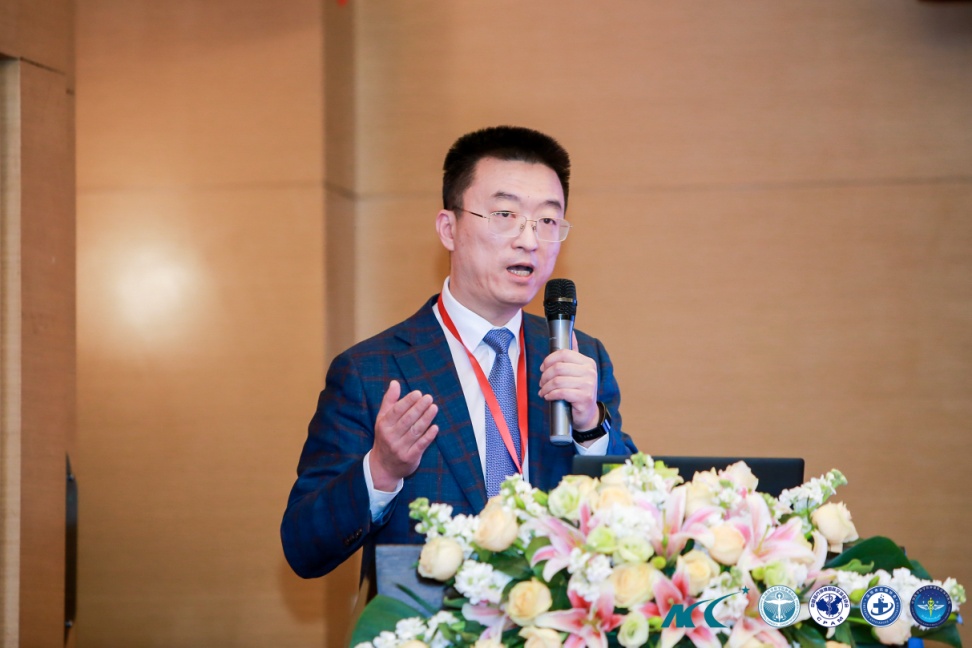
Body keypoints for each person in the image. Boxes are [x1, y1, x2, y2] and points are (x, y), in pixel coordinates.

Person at [281, 126, 637, 580]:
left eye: (547, 221)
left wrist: (590, 426)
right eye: (505, 214)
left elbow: (637, 518)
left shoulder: (581, 356)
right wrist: (381, 470)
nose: (529, 240)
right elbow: (304, 546)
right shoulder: (370, 371)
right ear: (449, 229)